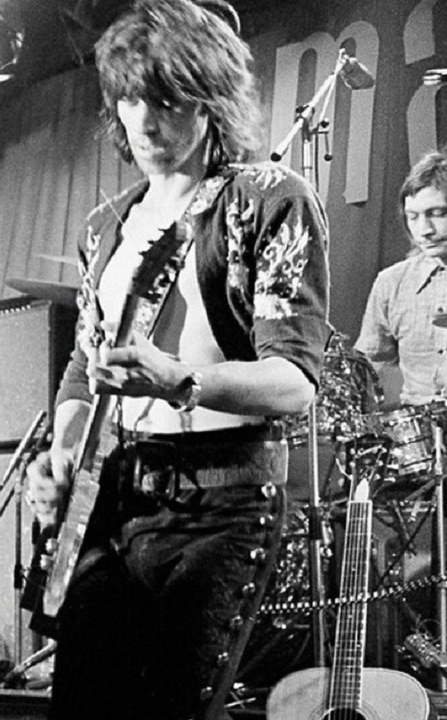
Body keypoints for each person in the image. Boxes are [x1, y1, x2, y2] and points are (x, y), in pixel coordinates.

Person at [23, 2, 330, 718]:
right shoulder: (105, 227)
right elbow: (83, 372)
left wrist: (180, 380)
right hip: (117, 499)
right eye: (131, 101)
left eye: (167, 102)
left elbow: (294, 382)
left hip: (221, 503)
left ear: (211, 101)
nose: (146, 123)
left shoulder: (267, 200)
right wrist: (62, 455)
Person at [356, 148, 447, 408]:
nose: (424, 230)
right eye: (413, 217)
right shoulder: (391, 282)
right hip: (418, 426)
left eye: (437, 213)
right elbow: (369, 367)